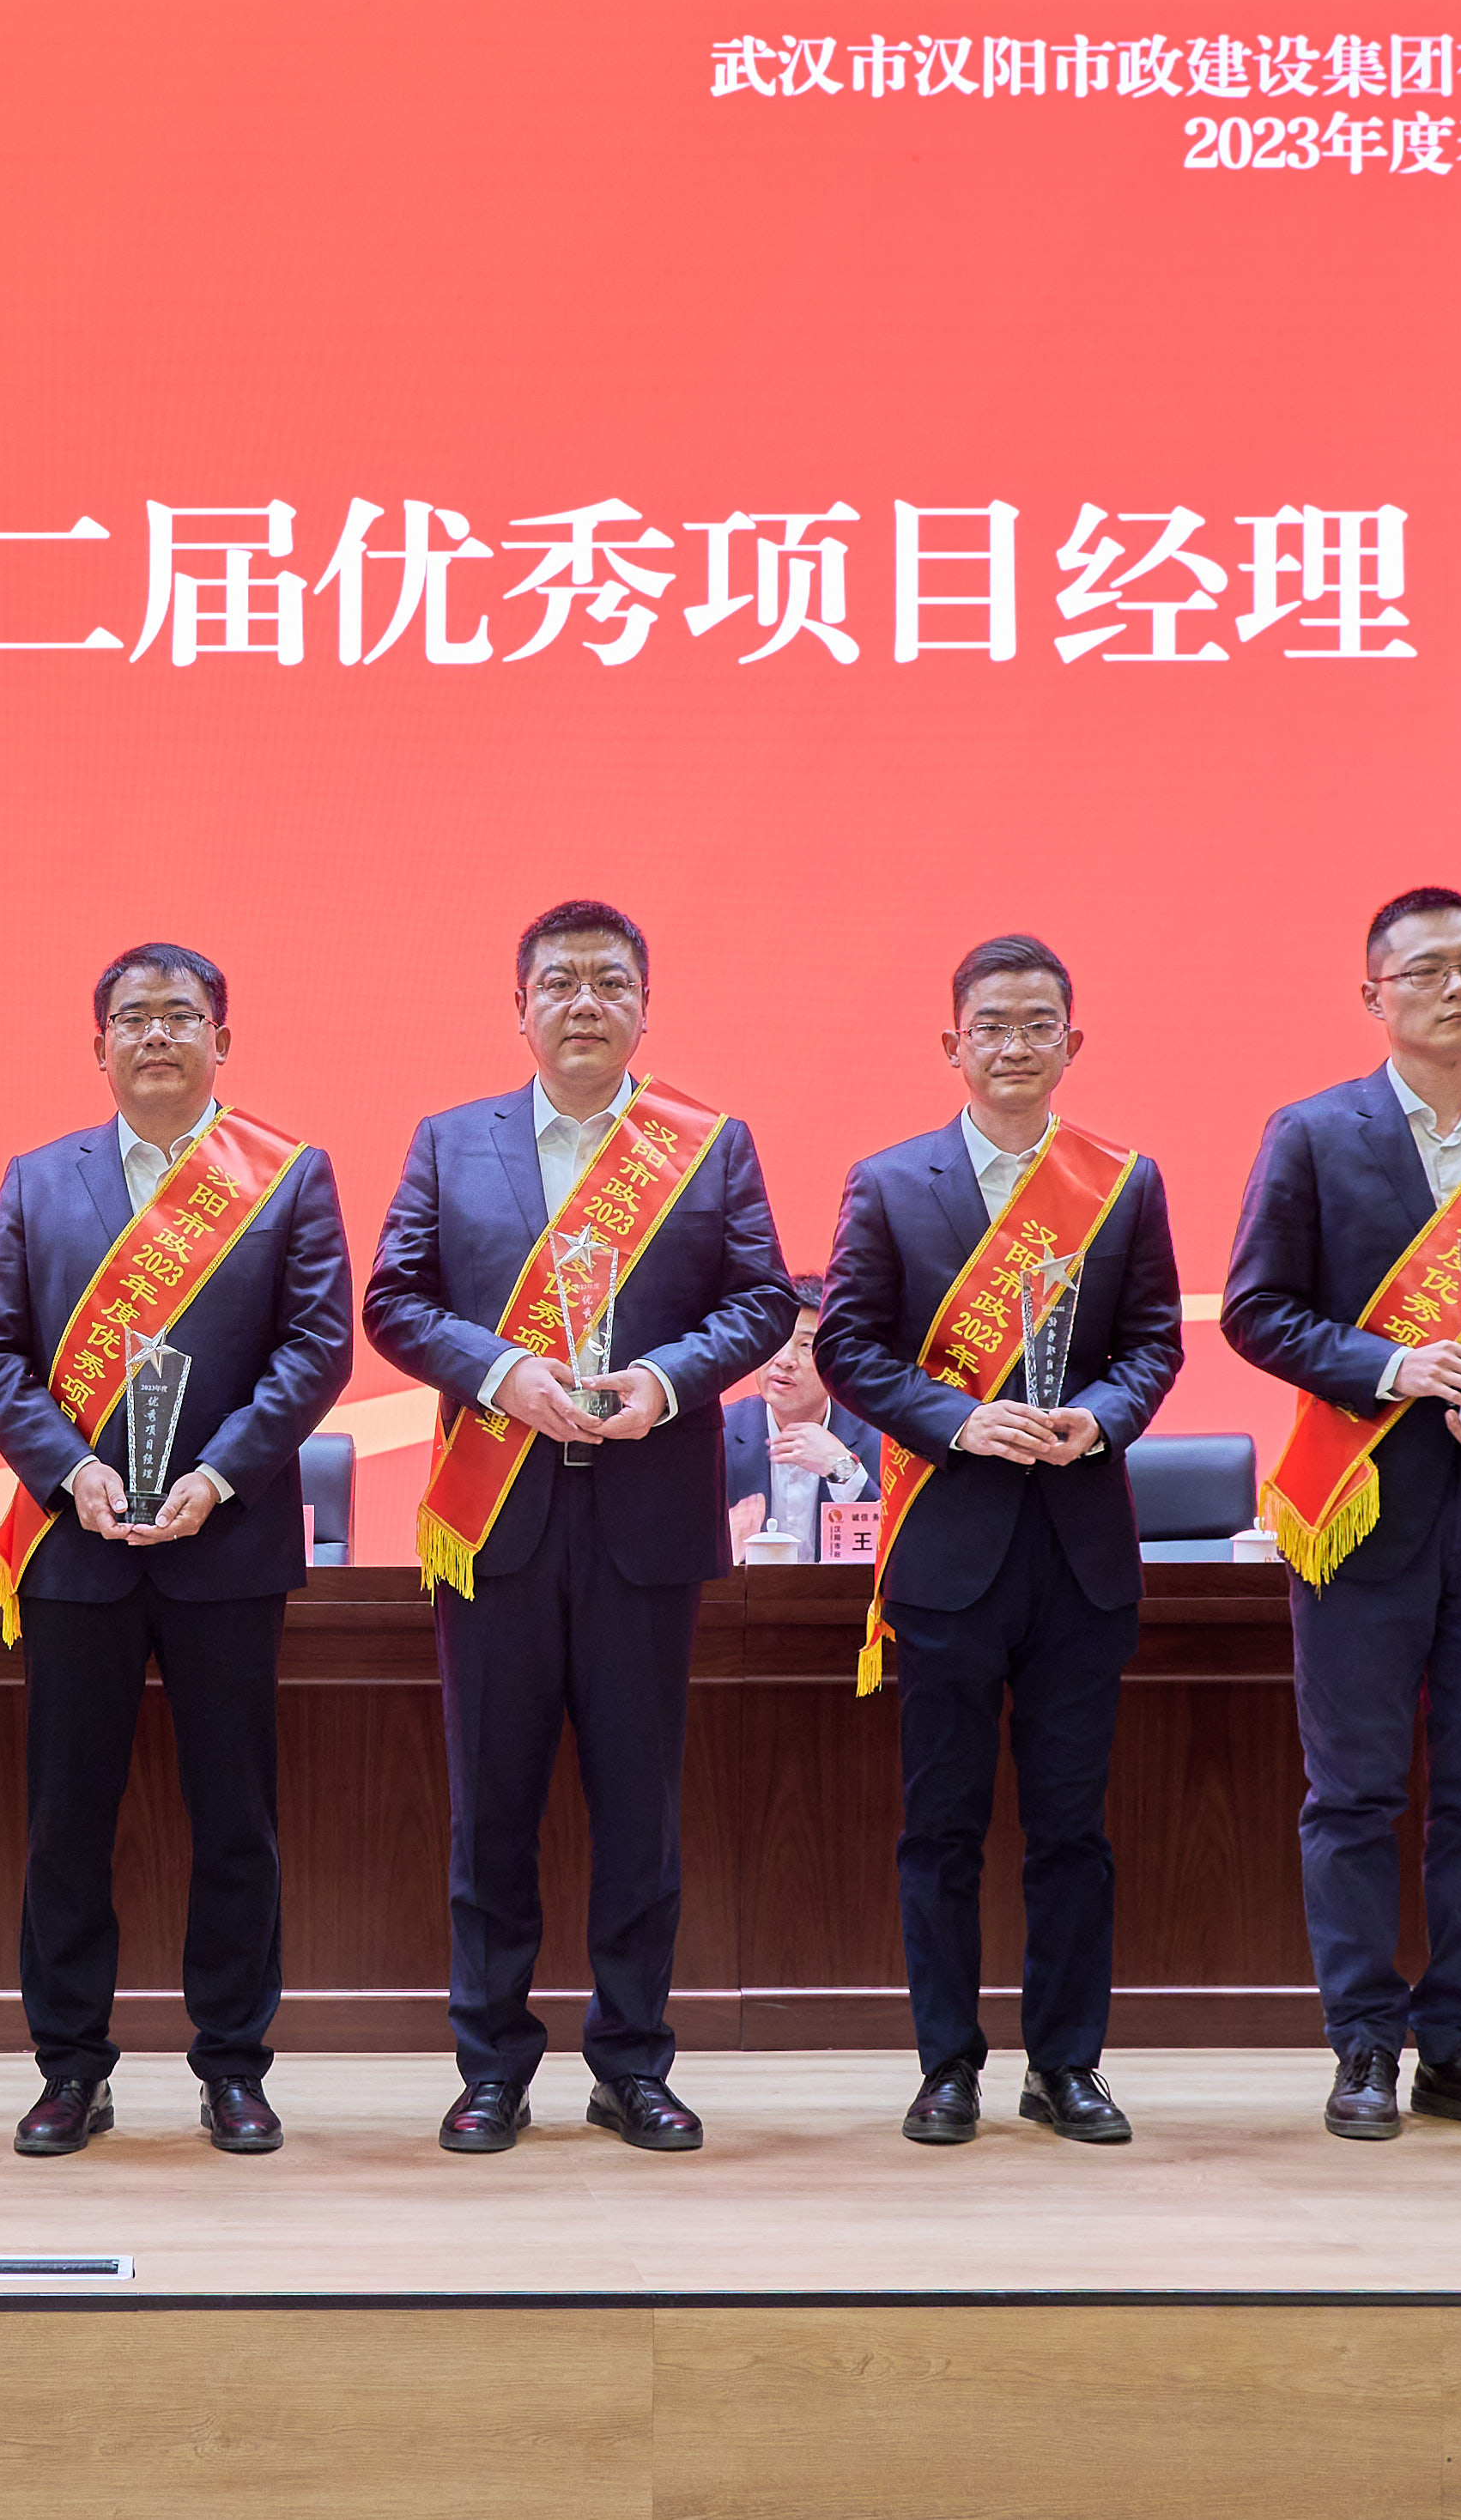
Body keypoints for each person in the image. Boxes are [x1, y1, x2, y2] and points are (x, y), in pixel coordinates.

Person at [365, 899, 797, 2156]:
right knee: (489, 1811)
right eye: (559, 981)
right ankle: (490, 2066)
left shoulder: (707, 1146)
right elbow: (394, 1299)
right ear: (520, 1008)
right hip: (495, 1519)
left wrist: (663, 1381)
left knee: (638, 1812)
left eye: (610, 981)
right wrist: (502, 1371)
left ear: (645, 1008)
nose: (585, 1002)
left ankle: (631, 2063)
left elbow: (763, 1299)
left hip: (644, 1518)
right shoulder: (452, 1142)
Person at [1222, 886, 1461, 2147]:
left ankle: (1459, 2042)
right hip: (1359, 1511)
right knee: (1351, 1796)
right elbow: (1256, 1310)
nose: (1456, 986)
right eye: (1428, 968)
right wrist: (1391, 1365)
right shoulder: (1312, 1133)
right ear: (1373, 994)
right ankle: (1362, 2041)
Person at [0, 940, 355, 2159]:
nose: (157, 1034)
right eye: (132, 1016)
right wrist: (68, 1470)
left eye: (181, 1015)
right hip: (75, 1549)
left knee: (235, 1820)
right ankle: (69, 2068)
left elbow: (315, 1348)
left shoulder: (287, 1176)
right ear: (99, 1046)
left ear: (221, 1040)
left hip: (224, 1545)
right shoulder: (39, 1180)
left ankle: (233, 2065)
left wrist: (216, 1474)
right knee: (65, 1822)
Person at [816, 933, 1183, 2150]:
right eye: (992, 1024)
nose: (1015, 1044)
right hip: (948, 1549)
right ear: (952, 1043)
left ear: (1072, 1041)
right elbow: (848, 1346)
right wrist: (958, 1418)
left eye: (1038, 1024)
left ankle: (1066, 2064)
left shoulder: (1122, 1182)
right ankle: (946, 2064)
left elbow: (1154, 1342)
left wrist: (1102, 1415)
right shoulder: (889, 1182)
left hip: (1080, 1550)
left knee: (1072, 1829)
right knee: (943, 1826)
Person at [724, 1315, 872, 1554]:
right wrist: (721, 1548)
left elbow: (897, 1546)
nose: (784, 1360)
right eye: (775, 1338)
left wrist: (844, 1470)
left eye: (806, 1345)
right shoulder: (719, 1436)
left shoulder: (878, 1435)